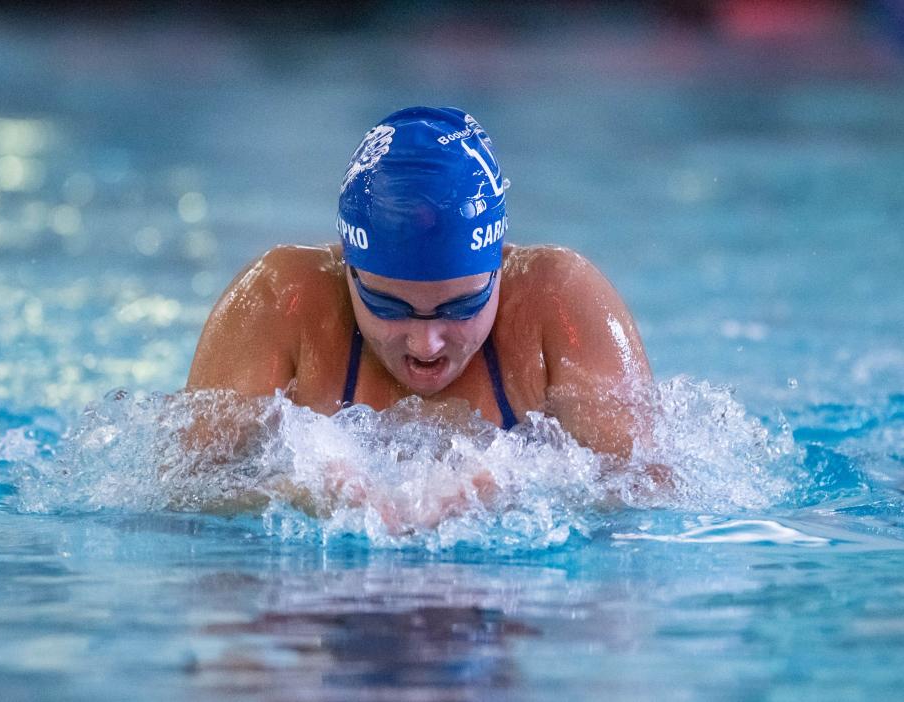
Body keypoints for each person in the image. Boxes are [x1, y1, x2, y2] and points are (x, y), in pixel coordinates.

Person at [186, 106, 659, 521]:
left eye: (461, 306)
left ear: (498, 268)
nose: (425, 344)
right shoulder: (278, 301)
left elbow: (657, 490)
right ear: (349, 270)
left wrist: (525, 490)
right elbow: (174, 494)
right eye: (388, 306)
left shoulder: (562, 302)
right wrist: (291, 495)